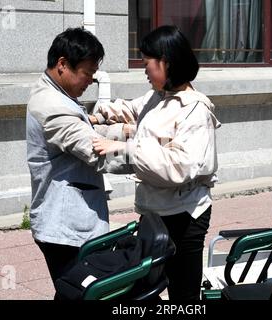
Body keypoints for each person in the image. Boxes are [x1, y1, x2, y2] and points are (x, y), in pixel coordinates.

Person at [92, 25, 220, 300]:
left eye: (147, 62)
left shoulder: (195, 111)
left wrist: (124, 149)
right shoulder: (158, 97)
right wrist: (97, 117)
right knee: (151, 281)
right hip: (157, 209)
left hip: (184, 214)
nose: (144, 69)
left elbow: (178, 167)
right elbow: (130, 109)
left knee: (182, 292)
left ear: (167, 62)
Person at [26, 27, 109, 292]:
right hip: (66, 229)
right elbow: (96, 150)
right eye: (87, 73)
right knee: (82, 293)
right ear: (63, 64)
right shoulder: (52, 105)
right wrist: (152, 152)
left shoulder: (57, 95)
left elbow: (88, 130)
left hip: (69, 223)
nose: (91, 81)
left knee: (74, 292)